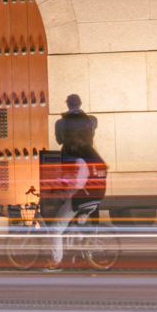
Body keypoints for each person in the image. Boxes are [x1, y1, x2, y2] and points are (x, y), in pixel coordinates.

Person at [45, 95, 99, 263]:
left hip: (69, 167)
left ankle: (58, 258)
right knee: (82, 217)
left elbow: (59, 140)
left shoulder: (60, 123)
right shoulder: (91, 120)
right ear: (80, 104)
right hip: (89, 170)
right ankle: (82, 249)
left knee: (65, 209)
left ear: (67, 105)